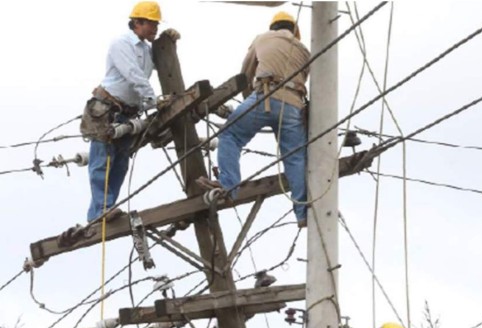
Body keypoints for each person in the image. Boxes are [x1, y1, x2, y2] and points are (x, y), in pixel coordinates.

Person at [198, 11, 310, 228]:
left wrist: (246, 103)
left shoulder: (262, 38)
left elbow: (245, 74)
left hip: (265, 96)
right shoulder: (303, 50)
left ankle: (229, 186)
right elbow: (303, 78)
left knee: (229, 134)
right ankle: (302, 213)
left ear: (273, 27)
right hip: (294, 104)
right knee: (295, 158)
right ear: (295, 31)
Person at [80, 1, 179, 223]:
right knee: (102, 161)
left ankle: (106, 208)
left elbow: (162, 64)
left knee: (121, 163)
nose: (155, 28)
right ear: (137, 22)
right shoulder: (121, 44)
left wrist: (168, 42)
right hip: (106, 110)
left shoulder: (145, 48)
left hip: (128, 113)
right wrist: (153, 101)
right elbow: (133, 74)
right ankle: (100, 211)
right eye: (152, 24)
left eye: (156, 24)